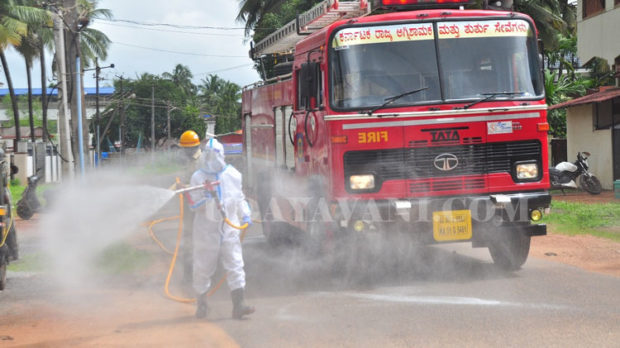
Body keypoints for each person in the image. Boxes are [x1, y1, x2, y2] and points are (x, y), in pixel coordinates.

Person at [187, 138, 254, 320]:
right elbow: (193, 205)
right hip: (206, 231)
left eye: (215, 155)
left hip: (229, 230)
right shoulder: (198, 178)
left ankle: (238, 305)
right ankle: (202, 305)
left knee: (235, 265)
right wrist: (208, 198)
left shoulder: (233, 175)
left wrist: (246, 213)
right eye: (208, 156)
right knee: (203, 267)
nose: (211, 160)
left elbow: (239, 197)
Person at [178, 130, 202, 283]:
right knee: (188, 237)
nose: (184, 152)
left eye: (185, 149)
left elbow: (202, 185)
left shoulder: (202, 161)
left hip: (199, 208)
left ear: (191, 148)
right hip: (190, 206)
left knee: (196, 240)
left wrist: (184, 186)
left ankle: (193, 275)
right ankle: (188, 274)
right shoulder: (191, 160)